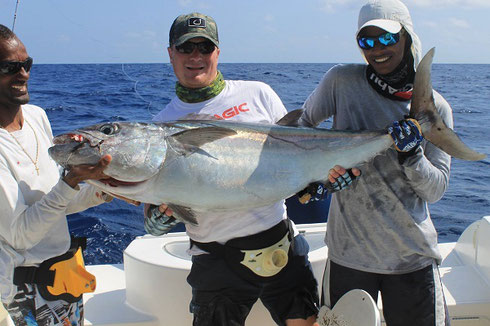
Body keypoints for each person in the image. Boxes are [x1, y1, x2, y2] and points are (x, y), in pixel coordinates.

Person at [144, 12, 323, 326]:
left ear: (218, 52)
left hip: (279, 243)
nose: (196, 56)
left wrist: (317, 181)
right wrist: (156, 221)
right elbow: (151, 212)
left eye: (205, 47)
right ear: (171, 53)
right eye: (186, 48)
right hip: (216, 260)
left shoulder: (257, 94)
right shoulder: (160, 127)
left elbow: (298, 152)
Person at [299, 0, 452, 325]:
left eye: (386, 38)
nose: (376, 49)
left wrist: (412, 156)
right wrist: (321, 177)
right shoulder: (340, 81)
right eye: (366, 41)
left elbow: (436, 189)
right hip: (348, 256)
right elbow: (301, 128)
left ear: (407, 37)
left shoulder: (435, 109)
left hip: (412, 258)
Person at [0, 24, 118, 325]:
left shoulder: (38, 117)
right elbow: (20, 235)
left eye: (26, 64)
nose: (23, 74)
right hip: (19, 294)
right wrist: (73, 180)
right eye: (9, 67)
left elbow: (57, 201)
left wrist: (108, 189)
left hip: (62, 283)